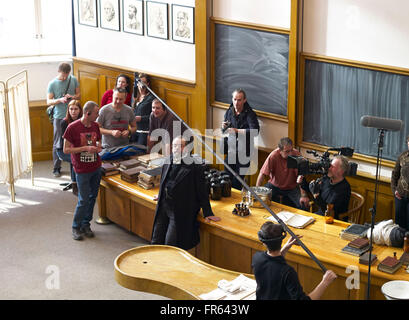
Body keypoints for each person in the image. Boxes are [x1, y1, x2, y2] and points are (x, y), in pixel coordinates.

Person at [151, 136, 221, 250]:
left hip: (179, 209)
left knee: (171, 244)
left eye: (180, 146)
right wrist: (160, 194)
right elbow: (165, 181)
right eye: (174, 146)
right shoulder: (168, 160)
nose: (176, 149)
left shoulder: (195, 166)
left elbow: (202, 191)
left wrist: (208, 212)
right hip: (164, 204)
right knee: (156, 240)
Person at [252, 221, 337, 300]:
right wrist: (325, 282)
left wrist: (286, 247)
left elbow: (272, 263)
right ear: (281, 239)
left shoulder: (257, 258)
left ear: (263, 242)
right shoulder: (287, 272)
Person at [63, 101, 102, 241]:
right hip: (81, 169)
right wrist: (85, 149)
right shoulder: (72, 128)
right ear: (88, 113)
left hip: (96, 167)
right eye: (96, 113)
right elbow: (66, 149)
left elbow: (99, 142)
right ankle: (76, 226)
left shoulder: (96, 126)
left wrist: (98, 147)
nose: (98, 115)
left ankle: (86, 224)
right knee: (84, 199)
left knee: (92, 198)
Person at [256, 137, 309, 210]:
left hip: (292, 187)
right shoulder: (273, 155)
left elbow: (301, 177)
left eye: (291, 150)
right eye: (287, 151)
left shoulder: (296, 154)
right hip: (274, 186)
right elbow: (262, 174)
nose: (290, 153)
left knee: (304, 205)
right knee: (260, 201)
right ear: (280, 150)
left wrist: (303, 195)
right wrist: (257, 191)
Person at [47, 62, 80, 178]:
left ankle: (76, 164)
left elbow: (78, 95)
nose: (65, 77)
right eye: (63, 75)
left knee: (76, 140)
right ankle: (56, 168)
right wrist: (59, 100)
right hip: (59, 116)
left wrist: (72, 97)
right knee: (57, 143)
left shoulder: (73, 79)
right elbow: (48, 102)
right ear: (58, 72)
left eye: (67, 75)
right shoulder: (52, 84)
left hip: (74, 115)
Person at [221, 88, 259, 190]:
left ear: (244, 100)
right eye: (234, 99)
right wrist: (223, 127)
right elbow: (224, 131)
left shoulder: (250, 114)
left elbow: (255, 131)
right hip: (232, 150)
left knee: (237, 182)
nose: (236, 102)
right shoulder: (229, 111)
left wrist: (237, 130)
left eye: (239, 100)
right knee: (226, 177)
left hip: (244, 152)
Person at [309, 155, 351, 220]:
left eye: (332, 167)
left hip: (334, 220)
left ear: (341, 171)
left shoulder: (344, 188)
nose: (329, 168)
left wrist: (316, 195)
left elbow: (329, 210)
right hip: (321, 215)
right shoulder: (326, 179)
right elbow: (314, 192)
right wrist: (302, 183)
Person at [56, 99, 83, 196]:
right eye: (71, 109)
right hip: (63, 150)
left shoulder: (82, 121)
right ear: (68, 110)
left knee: (77, 157)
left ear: (80, 110)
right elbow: (67, 143)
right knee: (76, 159)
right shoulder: (64, 122)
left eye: (76, 109)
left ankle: (75, 181)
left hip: (76, 149)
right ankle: (76, 185)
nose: (73, 111)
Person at [130, 73, 154, 146]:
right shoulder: (135, 95)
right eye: (139, 82)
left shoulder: (151, 98)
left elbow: (154, 116)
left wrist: (141, 118)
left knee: (139, 152)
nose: (141, 85)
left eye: (143, 83)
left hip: (144, 131)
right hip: (134, 129)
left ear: (148, 84)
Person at [391, 135, 409, 230]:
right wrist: (394, 190)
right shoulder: (402, 156)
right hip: (400, 196)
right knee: (399, 226)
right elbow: (395, 174)